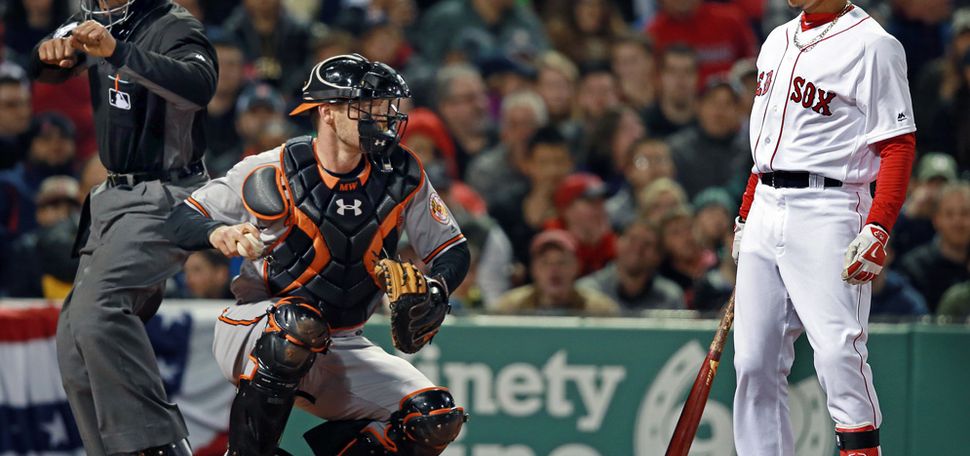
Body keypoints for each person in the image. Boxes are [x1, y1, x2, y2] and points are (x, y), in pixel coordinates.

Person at [165, 54, 469, 455]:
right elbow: (181, 218)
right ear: (327, 111)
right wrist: (218, 231)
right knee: (298, 327)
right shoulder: (272, 167)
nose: (382, 120)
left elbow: (453, 249)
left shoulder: (402, 172)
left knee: (433, 418)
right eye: (368, 109)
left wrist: (435, 286)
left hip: (343, 340)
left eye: (385, 109)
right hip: (258, 322)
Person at [28, 0, 217, 453]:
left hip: (166, 192)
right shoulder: (91, 12)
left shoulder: (174, 26)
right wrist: (49, 51)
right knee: (74, 341)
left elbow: (200, 85)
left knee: (98, 313)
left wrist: (117, 51)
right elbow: (46, 68)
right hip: (113, 198)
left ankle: (162, 447)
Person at [730, 1, 918, 454]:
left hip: (829, 205)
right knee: (754, 362)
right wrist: (745, 213)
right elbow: (769, 146)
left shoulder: (874, 45)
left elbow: (898, 143)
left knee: (838, 355)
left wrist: (878, 228)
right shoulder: (777, 39)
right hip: (767, 204)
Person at [495, 229, 619, 316]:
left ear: (576, 267)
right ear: (533, 269)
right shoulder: (510, 307)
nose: (554, 270)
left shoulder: (600, 310)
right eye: (545, 263)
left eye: (562, 262)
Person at [577, 217, 684, 312]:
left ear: (658, 256)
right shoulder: (588, 290)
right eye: (632, 239)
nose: (638, 248)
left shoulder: (670, 297)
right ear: (617, 243)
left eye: (647, 244)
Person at [898, 182, 970, 312]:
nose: (958, 221)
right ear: (936, 220)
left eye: (965, 213)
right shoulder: (915, 266)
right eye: (949, 214)